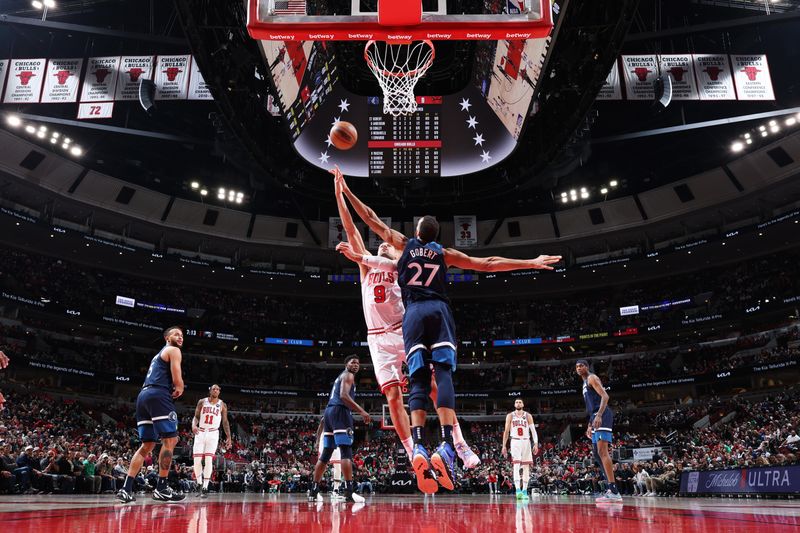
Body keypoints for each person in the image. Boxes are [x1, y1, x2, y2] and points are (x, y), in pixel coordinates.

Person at [335, 173, 561, 493]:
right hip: (425, 316)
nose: (384, 243)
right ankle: (431, 445)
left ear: (413, 234)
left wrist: (345, 190)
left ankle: (444, 442)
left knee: (421, 382)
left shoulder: (401, 254)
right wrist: (531, 262)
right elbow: (488, 263)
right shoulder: (433, 254)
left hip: (408, 321)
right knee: (433, 378)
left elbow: (369, 220)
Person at [331, 166, 480, 474]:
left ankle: (460, 444)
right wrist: (338, 192)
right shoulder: (366, 266)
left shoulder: (403, 264)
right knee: (393, 395)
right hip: (376, 338)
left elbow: (377, 224)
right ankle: (414, 451)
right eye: (381, 245)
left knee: (435, 385)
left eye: (388, 244)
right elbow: (353, 230)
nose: (384, 244)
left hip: (403, 330)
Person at [116, 326, 186, 503]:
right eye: (176, 334)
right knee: (170, 440)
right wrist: (180, 387)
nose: (180, 337)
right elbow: (176, 376)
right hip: (158, 394)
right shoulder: (173, 350)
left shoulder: (158, 355)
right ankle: (161, 487)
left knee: (147, 445)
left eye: (182, 335)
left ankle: (126, 488)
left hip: (143, 396)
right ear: (166, 338)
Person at [308, 355, 370, 504]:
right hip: (340, 412)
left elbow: (332, 404)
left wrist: (318, 438)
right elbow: (343, 396)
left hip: (329, 413)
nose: (356, 365)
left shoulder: (339, 378)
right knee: (346, 451)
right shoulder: (348, 375)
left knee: (326, 454)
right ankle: (349, 491)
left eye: (358, 363)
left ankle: (313, 491)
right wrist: (362, 411)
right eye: (353, 362)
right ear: (346, 364)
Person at [575, 359, 622, 503]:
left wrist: (599, 415)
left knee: (602, 452)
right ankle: (610, 488)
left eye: (581, 365)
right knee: (596, 454)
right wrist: (590, 424)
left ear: (587, 367)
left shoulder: (592, 378)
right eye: (576, 366)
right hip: (595, 416)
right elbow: (591, 407)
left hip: (603, 415)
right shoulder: (584, 383)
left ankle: (614, 491)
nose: (579, 368)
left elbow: (605, 396)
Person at [191, 384, 232, 498]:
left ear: (219, 392)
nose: (216, 390)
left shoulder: (222, 405)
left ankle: (205, 487)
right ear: (210, 391)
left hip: (213, 433)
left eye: (218, 389)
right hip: (201, 431)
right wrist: (194, 425)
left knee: (209, 459)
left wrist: (229, 437)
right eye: (214, 388)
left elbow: (225, 422)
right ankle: (199, 484)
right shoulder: (202, 402)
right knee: (197, 460)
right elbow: (196, 417)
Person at [501, 398, 538, 500]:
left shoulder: (528, 415)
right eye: (516, 402)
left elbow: (533, 430)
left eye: (520, 402)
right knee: (516, 465)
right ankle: (518, 490)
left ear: (523, 404)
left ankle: (525, 491)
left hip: (526, 441)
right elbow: (506, 431)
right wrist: (504, 445)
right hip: (515, 441)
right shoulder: (510, 416)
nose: (518, 404)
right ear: (514, 404)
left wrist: (536, 443)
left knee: (526, 467)